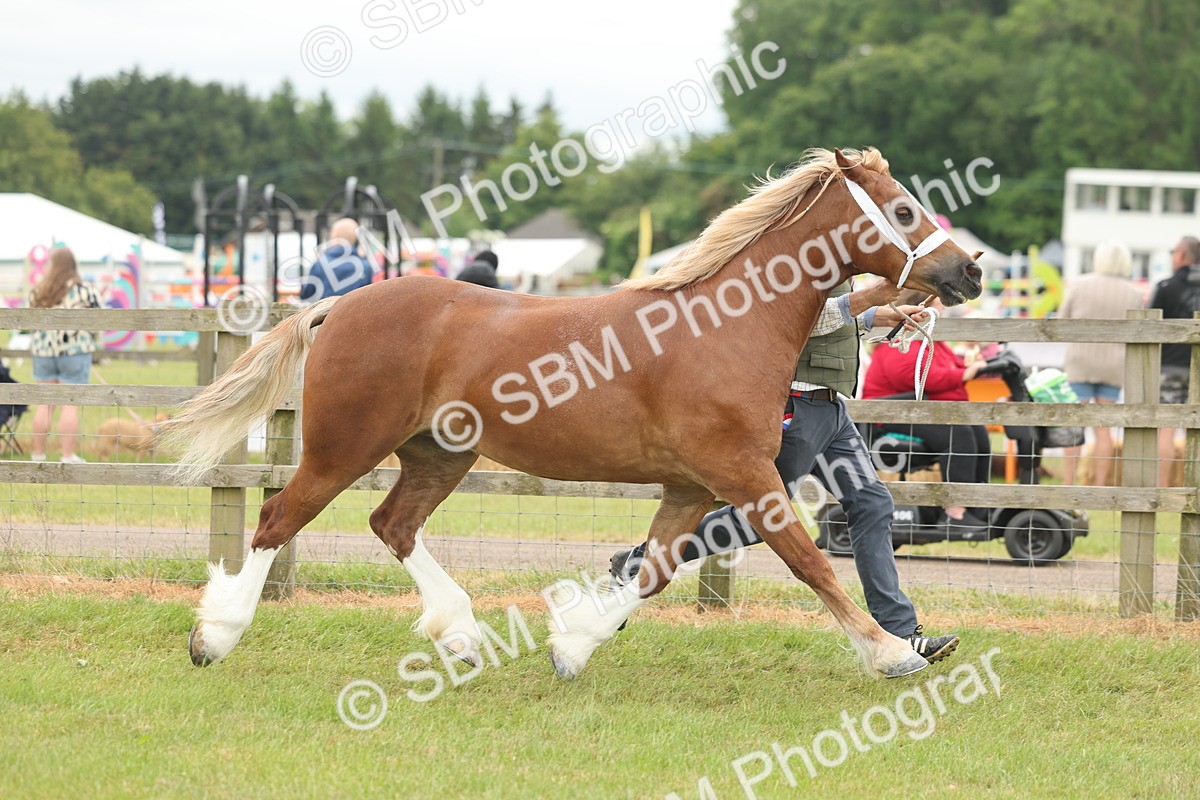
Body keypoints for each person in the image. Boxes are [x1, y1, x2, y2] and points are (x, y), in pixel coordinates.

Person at [612, 279, 961, 665]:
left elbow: (835, 322)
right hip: (795, 406)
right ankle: (643, 561)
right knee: (760, 519)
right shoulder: (795, 265)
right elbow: (802, 318)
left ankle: (899, 632)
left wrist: (882, 316)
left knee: (872, 503)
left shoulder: (838, 267)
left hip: (833, 413)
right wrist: (868, 299)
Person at [861, 295, 991, 533]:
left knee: (977, 431)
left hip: (914, 411)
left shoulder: (931, 338)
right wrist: (964, 374)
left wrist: (970, 368)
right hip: (889, 413)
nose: (943, 311)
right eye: (938, 306)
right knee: (958, 434)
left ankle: (976, 504)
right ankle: (954, 511)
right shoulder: (903, 339)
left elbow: (946, 369)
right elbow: (920, 378)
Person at [1058, 241, 1145, 486]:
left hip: (1080, 362)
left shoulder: (1079, 285)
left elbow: (1062, 321)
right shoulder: (1134, 293)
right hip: (1114, 366)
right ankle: (1099, 486)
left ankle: (1068, 483)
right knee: (1103, 428)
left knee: (1074, 426)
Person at [27, 247, 101, 463]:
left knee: (45, 404)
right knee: (69, 403)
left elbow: (27, 320)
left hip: (43, 351)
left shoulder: (39, 290)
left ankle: (38, 454)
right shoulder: (85, 290)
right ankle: (67, 455)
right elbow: (101, 319)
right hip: (74, 350)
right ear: (73, 266)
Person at [1151, 235, 1200, 486]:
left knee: (1166, 430)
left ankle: (1161, 488)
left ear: (1181, 255)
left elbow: (1148, 328)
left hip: (1170, 366)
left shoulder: (1166, 287)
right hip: (1198, 368)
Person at [299, 218, 374, 303]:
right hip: (354, 314)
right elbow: (367, 298)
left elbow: (306, 294)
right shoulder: (365, 267)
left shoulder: (320, 264)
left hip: (325, 314)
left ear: (335, 235)